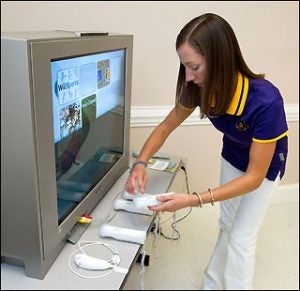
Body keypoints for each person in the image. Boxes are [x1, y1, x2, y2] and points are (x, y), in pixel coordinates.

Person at [125, 13, 288, 290]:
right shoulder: (198, 87)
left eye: (195, 67)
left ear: (220, 60)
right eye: (184, 66)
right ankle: (212, 284)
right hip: (233, 154)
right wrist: (140, 163)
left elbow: (254, 177)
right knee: (227, 223)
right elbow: (166, 126)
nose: (188, 76)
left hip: (265, 167)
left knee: (241, 237)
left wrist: (193, 199)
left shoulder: (266, 101)